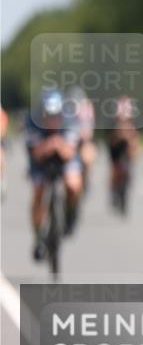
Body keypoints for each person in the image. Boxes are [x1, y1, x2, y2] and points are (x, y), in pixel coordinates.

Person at [25, 88, 83, 259]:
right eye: (48, 115)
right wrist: (50, 145)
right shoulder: (32, 122)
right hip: (40, 160)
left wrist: (58, 145)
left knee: (73, 185)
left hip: (64, 158)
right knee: (38, 191)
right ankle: (38, 238)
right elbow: (36, 153)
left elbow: (70, 152)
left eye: (55, 115)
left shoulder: (70, 121)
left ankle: (70, 214)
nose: (52, 120)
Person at [106, 96, 140, 213]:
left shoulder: (134, 124)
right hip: (115, 149)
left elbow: (136, 141)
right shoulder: (113, 123)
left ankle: (127, 184)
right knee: (115, 169)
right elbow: (111, 141)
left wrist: (133, 148)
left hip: (127, 150)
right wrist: (119, 134)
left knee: (129, 167)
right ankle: (113, 190)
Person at [65, 86, 97, 195]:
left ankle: (86, 178)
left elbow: (89, 128)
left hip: (82, 140)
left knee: (88, 157)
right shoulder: (65, 107)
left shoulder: (87, 108)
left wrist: (83, 135)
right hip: (68, 140)